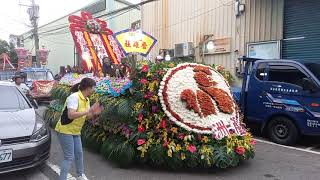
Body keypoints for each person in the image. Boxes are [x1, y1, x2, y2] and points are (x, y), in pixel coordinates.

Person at [55, 78, 103, 180]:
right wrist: (89, 110)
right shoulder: (74, 97)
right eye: (93, 87)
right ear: (88, 88)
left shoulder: (86, 99)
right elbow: (71, 115)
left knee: (79, 153)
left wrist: (94, 114)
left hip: (75, 131)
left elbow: (86, 116)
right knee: (69, 157)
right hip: (65, 130)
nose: (94, 90)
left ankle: (80, 175)